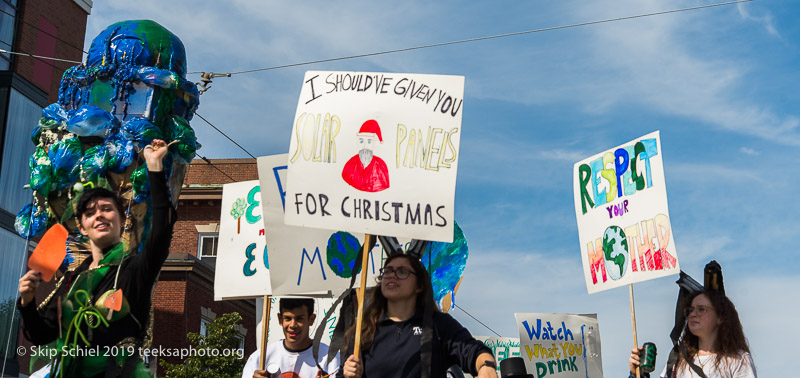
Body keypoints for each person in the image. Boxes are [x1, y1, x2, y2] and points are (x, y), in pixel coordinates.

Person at [17, 139, 174, 377]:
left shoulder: (134, 270)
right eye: (90, 213)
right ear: (82, 227)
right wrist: (27, 302)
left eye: (107, 209)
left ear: (122, 220)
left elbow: (162, 229)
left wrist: (154, 166)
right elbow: (42, 335)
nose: (99, 215)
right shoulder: (72, 280)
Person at [338, 254, 497, 378]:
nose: (392, 276)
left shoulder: (438, 325)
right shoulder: (364, 329)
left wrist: (486, 366)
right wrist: (348, 374)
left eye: (402, 272)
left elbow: (475, 352)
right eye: (387, 271)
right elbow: (342, 374)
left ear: (419, 285)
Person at [628, 290, 757, 378]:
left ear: (720, 317)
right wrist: (637, 374)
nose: (693, 314)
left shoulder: (738, 359)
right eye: (690, 310)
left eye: (701, 309)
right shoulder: (678, 359)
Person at [242, 298, 340, 378]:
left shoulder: (331, 358)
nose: (292, 325)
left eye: (299, 319)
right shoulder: (260, 358)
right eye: (287, 319)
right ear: (280, 319)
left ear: (311, 319)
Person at [341, 119, 390, 193]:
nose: (364, 146)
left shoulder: (381, 166)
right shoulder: (350, 165)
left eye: (369, 141)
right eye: (361, 141)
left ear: (374, 143)